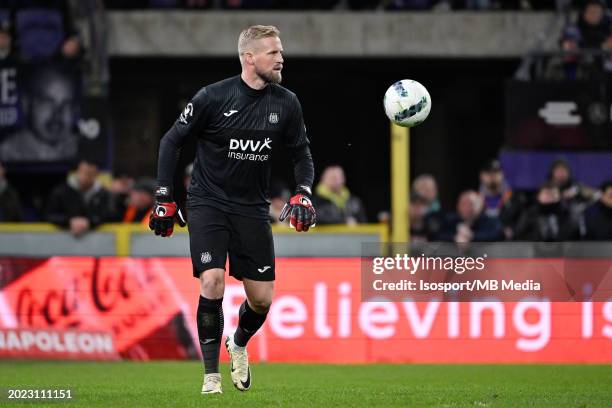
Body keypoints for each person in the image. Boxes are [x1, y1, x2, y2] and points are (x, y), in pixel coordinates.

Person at [149, 25, 315, 394]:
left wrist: (303, 192)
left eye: (281, 51)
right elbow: (171, 141)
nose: (281, 58)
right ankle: (211, 377)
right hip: (208, 202)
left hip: (252, 209)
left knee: (262, 299)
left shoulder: (286, 102)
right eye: (273, 52)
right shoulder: (213, 96)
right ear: (249, 57)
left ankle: (238, 343)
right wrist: (164, 196)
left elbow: (301, 152)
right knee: (212, 280)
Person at [0, 64, 78, 162]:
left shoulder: (82, 149)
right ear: (26, 104)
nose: (57, 114)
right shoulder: (7, 154)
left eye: (66, 104)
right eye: (48, 102)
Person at [46, 159, 114, 236]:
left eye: (89, 173)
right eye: (82, 172)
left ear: (96, 174)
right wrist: (69, 221)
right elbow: (49, 214)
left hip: (97, 240)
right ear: (77, 171)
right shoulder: (61, 191)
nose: (84, 176)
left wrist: (89, 222)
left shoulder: (104, 193)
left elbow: (110, 215)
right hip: (63, 238)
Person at [514, 182, 582, 241]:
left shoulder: (568, 213)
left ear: (559, 196)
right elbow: (520, 235)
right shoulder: (529, 214)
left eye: (553, 194)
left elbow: (575, 235)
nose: (550, 197)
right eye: (546, 193)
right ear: (539, 196)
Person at [436, 190, 503, 243]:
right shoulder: (451, 220)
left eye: (471, 204)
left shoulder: (491, 221)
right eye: (463, 204)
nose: (466, 208)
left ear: (480, 205)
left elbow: (496, 234)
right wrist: (455, 238)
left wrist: (472, 236)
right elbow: (439, 235)